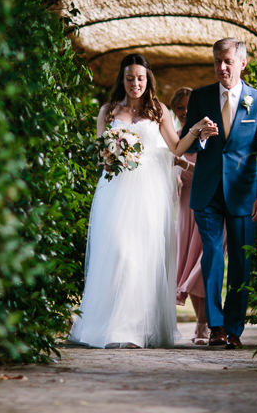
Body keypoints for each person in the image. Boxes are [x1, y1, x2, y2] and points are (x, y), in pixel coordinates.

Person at [68, 54, 217, 348]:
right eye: (129, 78)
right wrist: (113, 155)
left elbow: (175, 147)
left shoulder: (159, 110)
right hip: (117, 192)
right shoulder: (108, 112)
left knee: (142, 258)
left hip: (149, 193)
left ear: (147, 80)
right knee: (120, 253)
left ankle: (136, 329)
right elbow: (101, 154)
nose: (135, 83)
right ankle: (112, 326)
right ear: (121, 81)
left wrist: (197, 129)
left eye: (140, 78)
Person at [181, 38, 257, 349]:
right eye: (217, 62)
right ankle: (216, 326)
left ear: (242, 64)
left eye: (227, 62)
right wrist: (202, 138)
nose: (221, 68)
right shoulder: (200, 97)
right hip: (207, 190)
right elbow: (187, 142)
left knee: (240, 262)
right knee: (212, 257)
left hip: (244, 194)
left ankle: (235, 328)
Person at [169, 87, 213, 345]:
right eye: (180, 108)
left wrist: (183, 165)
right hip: (185, 208)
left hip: (208, 204)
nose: (185, 112)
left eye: (189, 107)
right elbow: (169, 166)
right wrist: (174, 176)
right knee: (191, 266)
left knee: (204, 264)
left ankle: (208, 323)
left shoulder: (209, 135)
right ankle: (201, 324)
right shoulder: (175, 137)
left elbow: (208, 172)